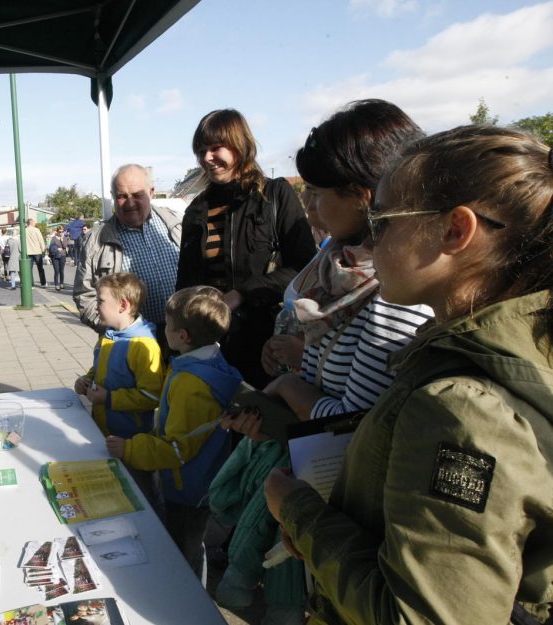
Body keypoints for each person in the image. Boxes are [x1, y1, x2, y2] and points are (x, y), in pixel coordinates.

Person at [265, 125, 553, 625]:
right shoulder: (502, 348)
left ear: (454, 232)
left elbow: (420, 615)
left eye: (383, 220)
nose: (370, 238)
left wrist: (300, 513)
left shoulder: (462, 406)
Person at [210, 99, 432, 625]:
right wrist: (291, 365)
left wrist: (286, 390)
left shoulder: (395, 293)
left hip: (343, 511)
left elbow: (352, 426)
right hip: (315, 482)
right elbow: (325, 360)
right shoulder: (336, 261)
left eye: (318, 192)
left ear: (362, 195)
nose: (308, 204)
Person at [107, 285, 241, 579]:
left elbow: (176, 449)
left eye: (168, 325)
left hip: (186, 490)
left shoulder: (191, 384)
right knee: (193, 548)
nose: (162, 328)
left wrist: (129, 449)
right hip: (201, 480)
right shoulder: (209, 362)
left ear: (183, 336)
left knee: (180, 555)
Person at [176, 109, 317, 389]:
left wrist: (242, 293)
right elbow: (185, 284)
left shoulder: (275, 195)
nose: (207, 158)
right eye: (201, 151)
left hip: (265, 347)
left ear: (240, 145)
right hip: (210, 347)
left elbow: (305, 269)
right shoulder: (196, 210)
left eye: (216, 148)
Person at [74, 272, 164, 499]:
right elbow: (98, 369)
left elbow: (152, 396)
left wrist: (109, 398)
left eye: (101, 301)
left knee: (139, 492)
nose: (96, 305)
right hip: (104, 432)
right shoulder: (108, 336)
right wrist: (86, 380)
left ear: (123, 305)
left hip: (131, 441)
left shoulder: (144, 346)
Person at [74, 164, 181, 331]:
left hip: (182, 339)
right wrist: (117, 331)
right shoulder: (96, 241)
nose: (130, 203)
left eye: (137, 195)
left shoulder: (176, 224)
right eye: (122, 196)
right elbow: (84, 296)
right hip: (131, 344)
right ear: (113, 197)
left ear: (151, 192)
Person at [25, 218, 48, 287]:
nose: (35, 223)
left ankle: (31, 284)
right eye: (34, 222)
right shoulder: (36, 230)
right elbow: (40, 240)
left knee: (29, 269)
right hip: (37, 251)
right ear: (31, 222)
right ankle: (43, 283)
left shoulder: (24, 230)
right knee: (40, 268)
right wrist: (43, 248)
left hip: (28, 251)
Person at [48, 225, 69, 291]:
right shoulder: (54, 238)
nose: (61, 233)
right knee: (56, 271)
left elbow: (65, 246)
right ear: (57, 231)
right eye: (60, 232)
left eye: (62, 231)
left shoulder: (65, 238)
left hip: (62, 255)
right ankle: (56, 285)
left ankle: (61, 283)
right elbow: (51, 247)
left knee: (61, 271)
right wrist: (57, 249)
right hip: (55, 256)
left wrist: (62, 240)